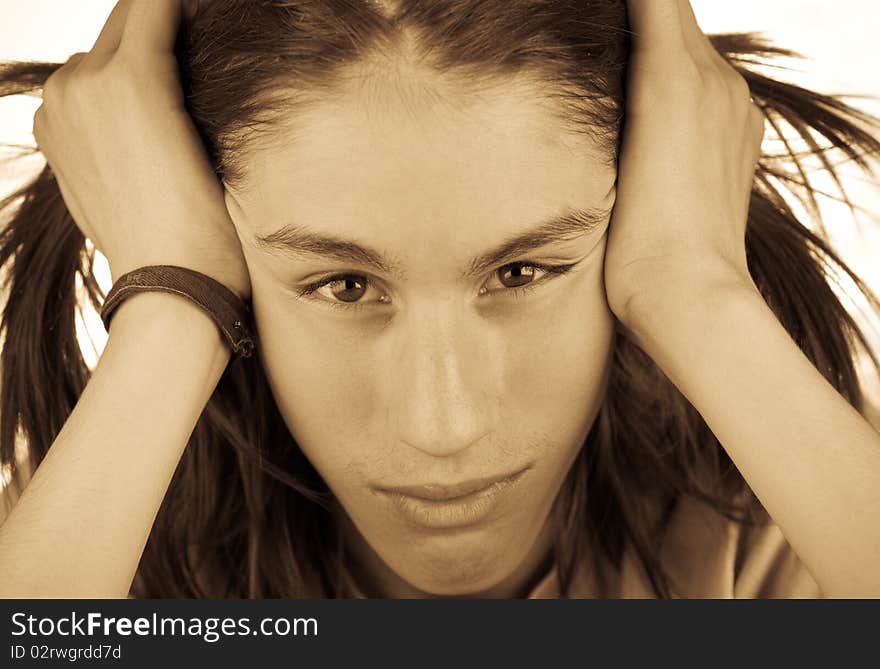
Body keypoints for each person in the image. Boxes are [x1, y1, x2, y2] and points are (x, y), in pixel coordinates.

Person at [0, 0, 878, 599]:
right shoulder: (69, 536)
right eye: (344, 284)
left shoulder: (799, 506)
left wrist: (696, 287)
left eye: (521, 272)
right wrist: (171, 301)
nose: (443, 425)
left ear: (649, 198)